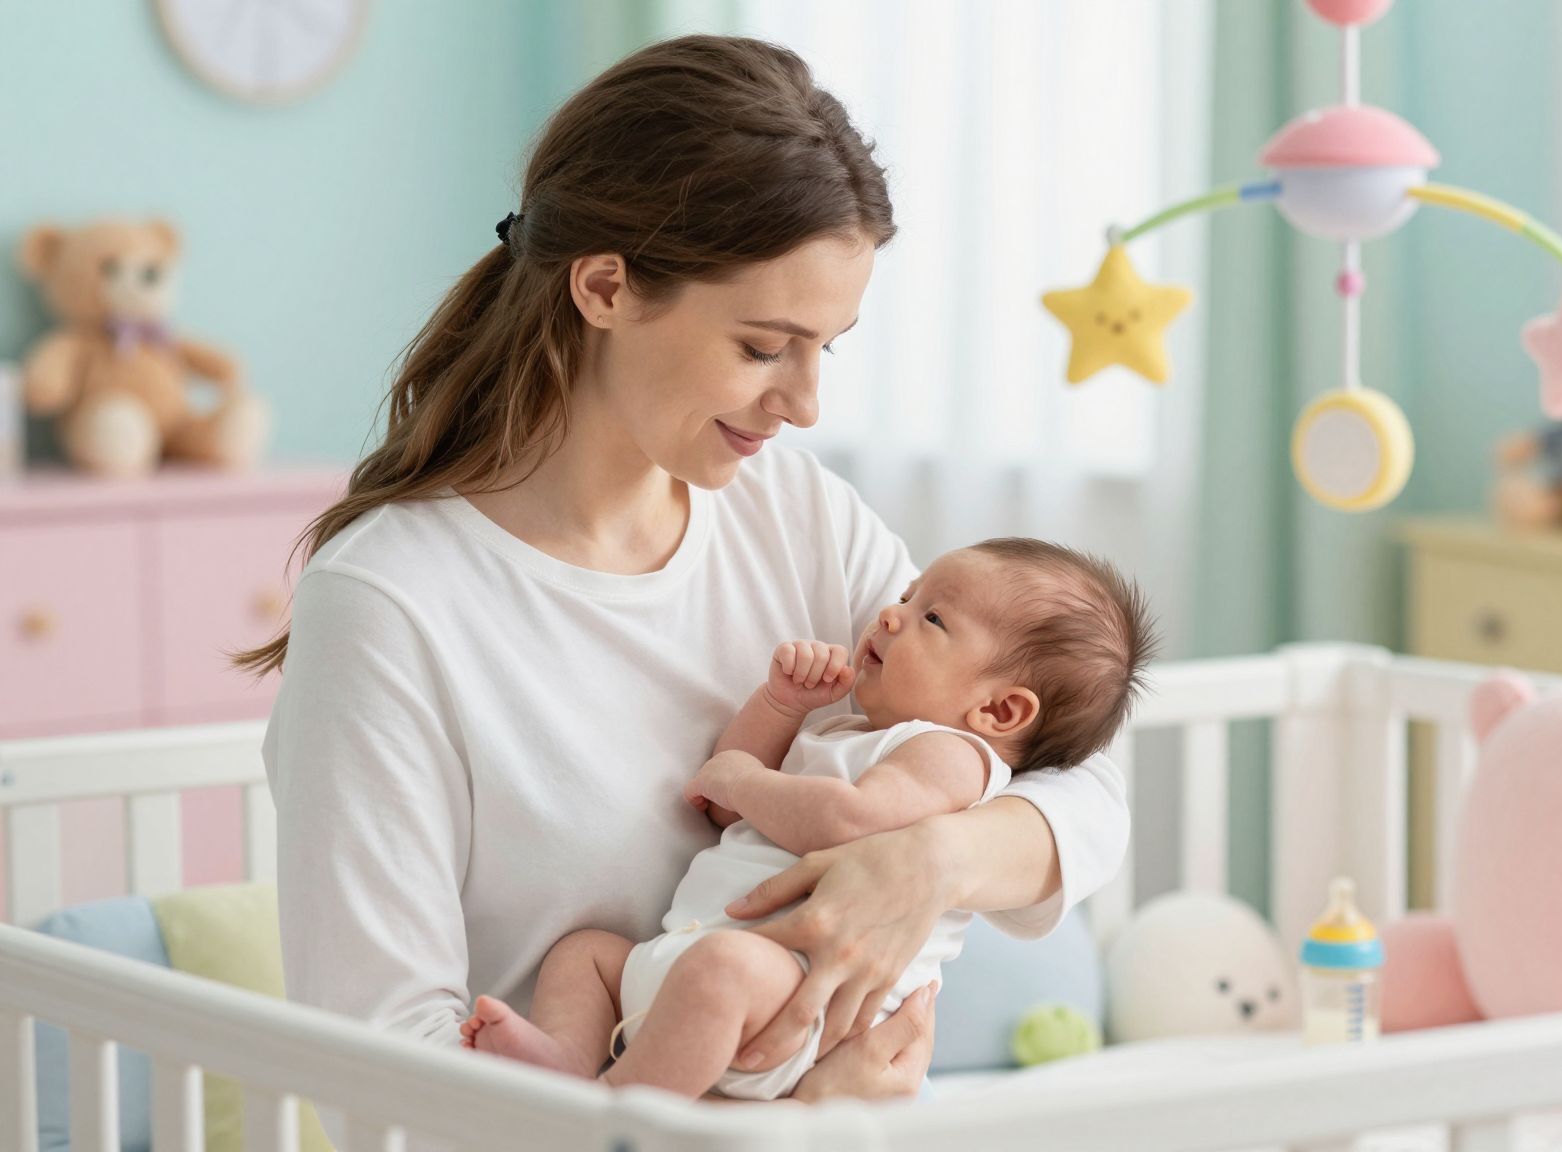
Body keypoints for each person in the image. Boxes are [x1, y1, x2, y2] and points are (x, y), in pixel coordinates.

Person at [245, 36, 1130, 1103]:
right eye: (764, 347)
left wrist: (930, 864)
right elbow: (376, 1063)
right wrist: (785, 1115)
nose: (804, 404)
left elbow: (1075, 781)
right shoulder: (393, 604)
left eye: (826, 349)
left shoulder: (797, 516)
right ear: (606, 287)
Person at [462, 541, 1156, 1100]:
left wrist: (748, 779)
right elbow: (724, 800)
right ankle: (565, 1067)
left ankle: (613, 1119)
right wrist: (780, 706)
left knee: (720, 973)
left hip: (790, 1004)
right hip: (690, 958)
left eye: (932, 619)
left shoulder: (952, 757)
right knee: (582, 954)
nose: (891, 613)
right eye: (909, 596)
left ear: (999, 713)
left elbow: (849, 823)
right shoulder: (853, 730)